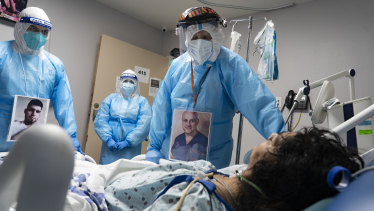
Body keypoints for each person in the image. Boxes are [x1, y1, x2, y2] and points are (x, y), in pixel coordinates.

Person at [146, 6, 285, 168]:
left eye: (205, 37)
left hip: (212, 160)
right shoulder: (177, 66)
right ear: (187, 39)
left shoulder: (231, 64)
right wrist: (153, 147)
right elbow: (162, 108)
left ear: (216, 35)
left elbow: (258, 104)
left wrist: (282, 140)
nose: (200, 43)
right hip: (171, 154)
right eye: (195, 37)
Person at [103, 127, 363, 210]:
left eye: (274, 142)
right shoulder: (224, 174)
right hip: (113, 181)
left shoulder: (196, 203)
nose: (271, 134)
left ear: (275, 171)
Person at [0, 7, 83, 153]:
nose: (39, 35)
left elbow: (65, 104)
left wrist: (71, 136)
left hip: (32, 144)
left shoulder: (55, 65)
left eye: (44, 31)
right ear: (20, 27)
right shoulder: (2, 54)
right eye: (33, 29)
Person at [94, 69, 152, 164]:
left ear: (136, 84)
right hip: (110, 146)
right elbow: (101, 120)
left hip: (131, 148)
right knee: (107, 171)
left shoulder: (142, 102)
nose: (128, 84)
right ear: (120, 82)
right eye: (125, 81)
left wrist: (129, 141)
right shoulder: (110, 99)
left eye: (131, 82)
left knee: (127, 171)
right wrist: (108, 139)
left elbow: (145, 124)